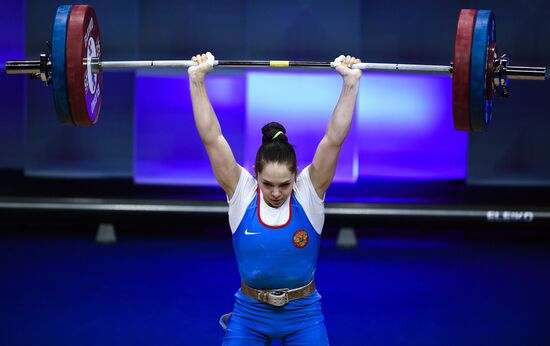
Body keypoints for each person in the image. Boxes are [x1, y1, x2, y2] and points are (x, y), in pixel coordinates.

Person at [188, 52, 362, 346]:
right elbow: (212, 138)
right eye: (267, 184)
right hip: (249, 315)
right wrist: (197, 81)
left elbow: (333, 139)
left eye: (284, 184)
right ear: (255, 174)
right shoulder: (241, 190)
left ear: (296, 177)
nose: (277, 192)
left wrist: (350, 84)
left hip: (304, 316)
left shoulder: (309, 191)